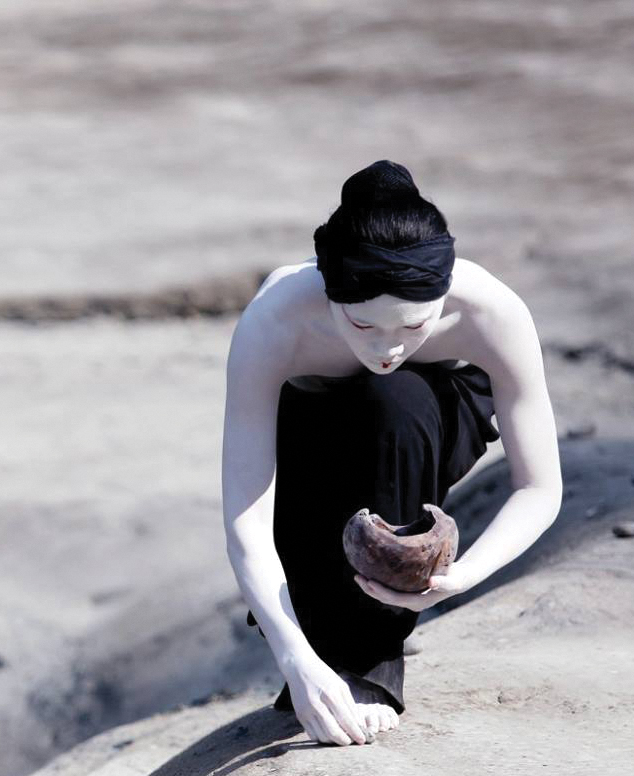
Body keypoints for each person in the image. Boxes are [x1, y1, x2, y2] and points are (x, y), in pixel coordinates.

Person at [221, 160, 565, 746]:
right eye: (361, 326)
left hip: (420, 424)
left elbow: (540, 487)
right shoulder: (276, 320)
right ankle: (328, 658)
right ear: (330, 294)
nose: (387, 346)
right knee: (368, 401)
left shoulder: (491, 311)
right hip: (310, 444)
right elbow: (246, 517)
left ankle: (370, 663)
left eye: (414, 326)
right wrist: (294, 657)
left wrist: (466, 575)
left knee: (392, 394)